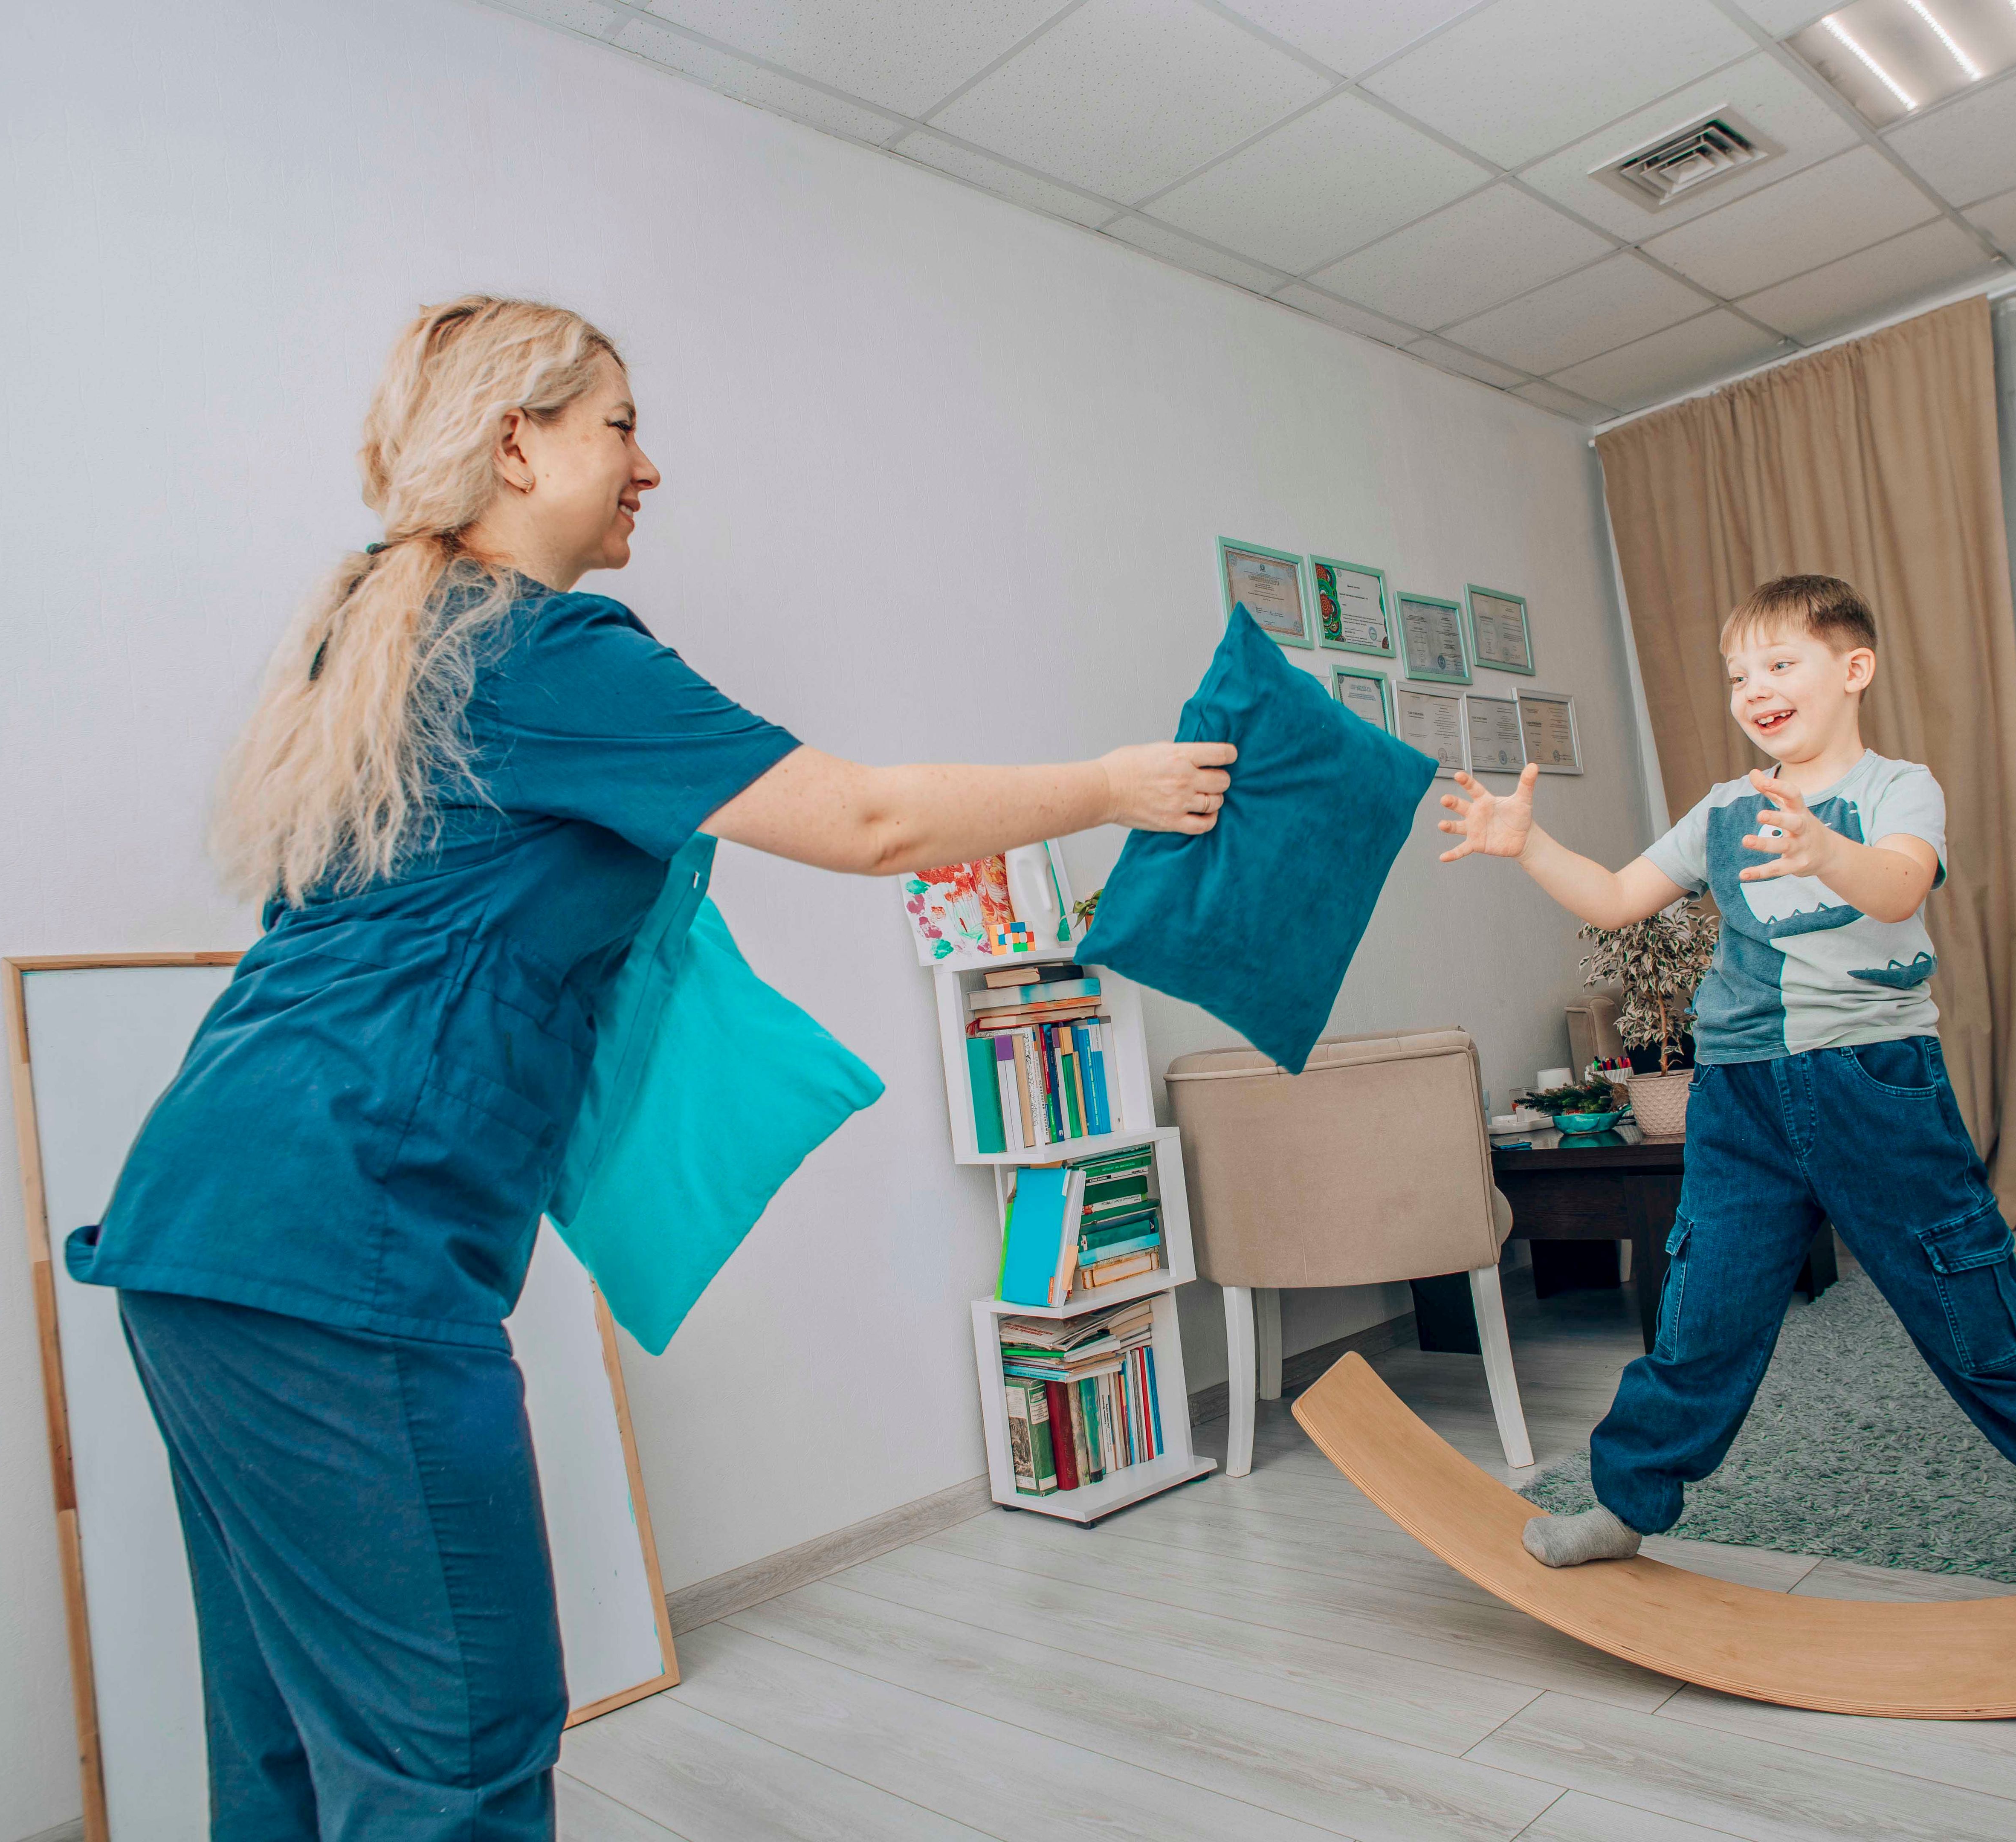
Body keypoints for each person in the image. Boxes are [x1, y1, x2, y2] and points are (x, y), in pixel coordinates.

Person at [66, 296, 1235, 1840]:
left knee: (287, 1747)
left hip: (201, 1236)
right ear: (516, 442)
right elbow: (866, 822)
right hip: (339, 1247)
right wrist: (1108, 783)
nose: (649, 467)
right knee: (456, 1767)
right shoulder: (544, 646)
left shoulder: (389, 640)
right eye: (621, 425)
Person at [1436, 573, 2016, 1622]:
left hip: (1875, 1089)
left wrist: (1827, 848)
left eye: (1781, 665)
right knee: (1701, 1318)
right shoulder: (1726, 808)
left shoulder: (1900, 788)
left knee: (1976, 1317)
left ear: (1853, 670)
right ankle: (1624, 1508)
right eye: (1739, 675)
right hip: (1740, 1100)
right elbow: (1618, 899)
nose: (1755, 689)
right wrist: (1529, 845)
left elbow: (1901, 887)